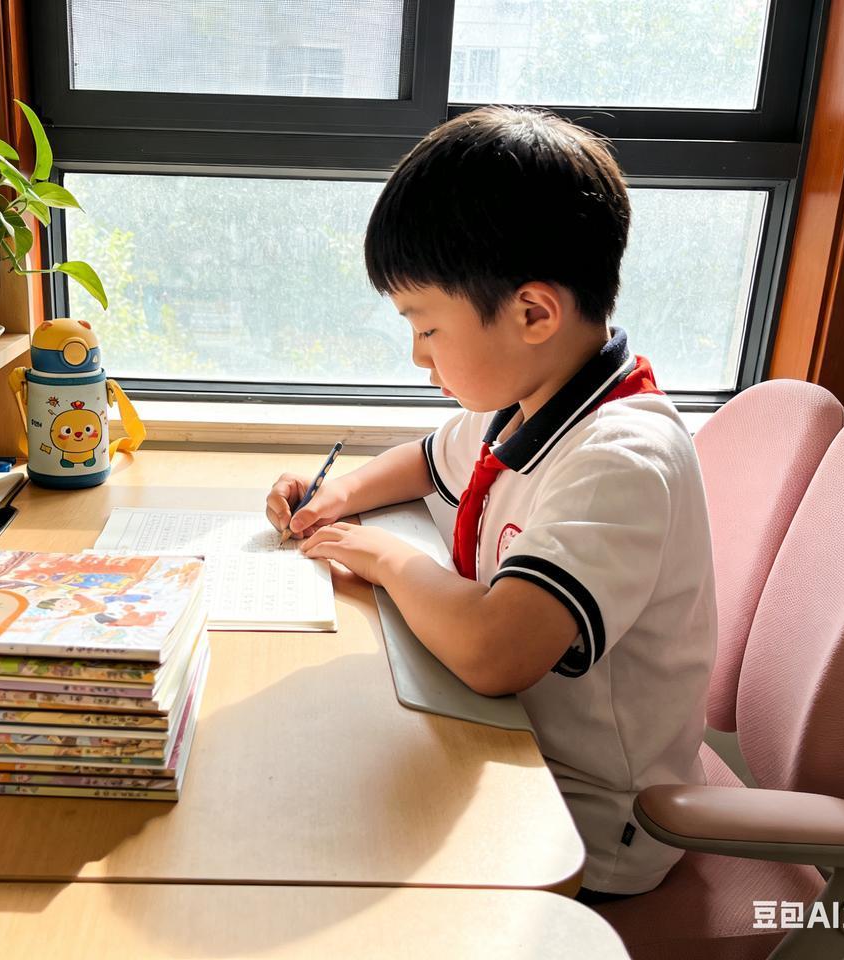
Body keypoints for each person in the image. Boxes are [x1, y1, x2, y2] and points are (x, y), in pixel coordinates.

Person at [266, 105, 716, 900]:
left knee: (326, 840)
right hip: (511, 745)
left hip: (587, 820)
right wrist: (338, 495)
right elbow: (424, 462)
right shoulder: (528, 403)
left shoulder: (620, 460)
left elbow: (493, 652)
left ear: (533, 314)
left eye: (427, 328)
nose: (418, 357)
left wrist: (384, 558)